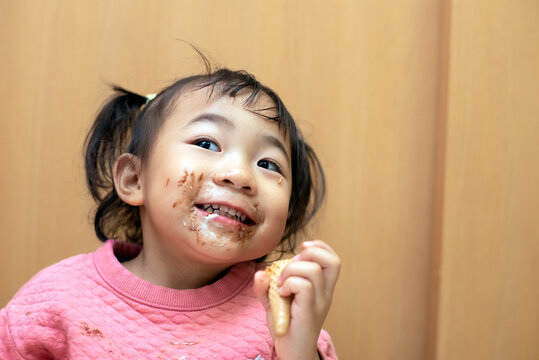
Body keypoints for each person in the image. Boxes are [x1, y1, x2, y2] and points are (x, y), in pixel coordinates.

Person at [0, 64, 341, 359]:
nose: (240, 176)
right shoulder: (58, 299)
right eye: (206, 143)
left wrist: (299, 351)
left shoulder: (285, 317)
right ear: (134, 179)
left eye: (268, 164)